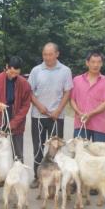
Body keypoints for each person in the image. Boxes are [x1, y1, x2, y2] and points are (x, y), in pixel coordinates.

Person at [28, 43, 73, 188]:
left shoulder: (65, 71)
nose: (47, 57)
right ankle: (38, 177)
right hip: (38, 116)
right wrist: (39, 106)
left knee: (55, 149)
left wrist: (59, 110)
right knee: (38, 148)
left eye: (50, 54)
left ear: (57, 54)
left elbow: (67, 92)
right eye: (44, 54)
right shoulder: (36, 70)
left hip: (57, 117)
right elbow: (29, 92)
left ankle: (55, 178)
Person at [0, 56, 31, 162]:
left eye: (16, 73)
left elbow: (26, 106)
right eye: (11, 72)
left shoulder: (24, 84)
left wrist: (13, 123)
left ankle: (18, 175)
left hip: (17, 119)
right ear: (7, 67)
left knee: (18, 153)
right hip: (0, 118)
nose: (13, 75)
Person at [70, 50, 105, 142]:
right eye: (93, 62)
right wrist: (79, 113)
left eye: (99, 62)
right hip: (80, 123)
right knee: (80, 153)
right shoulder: (77, 80)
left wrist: (90, 114)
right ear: (87, 63)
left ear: (102, 64)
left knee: (98, 155)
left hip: (99, 125)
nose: (96, 65)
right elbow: (72, 99)